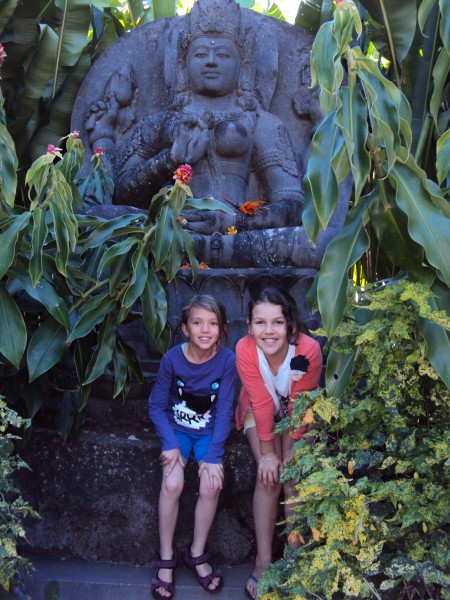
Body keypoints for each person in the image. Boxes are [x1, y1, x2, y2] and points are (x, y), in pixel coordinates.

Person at [84, 0, 341, 269]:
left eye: (223, 55)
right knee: (95, 220)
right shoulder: (160, 123)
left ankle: (198, 251)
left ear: (244, 67)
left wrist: (235, 221)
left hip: (239, 235)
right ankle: (193, 249)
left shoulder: (259, 123)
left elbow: (291, 205)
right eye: (200, 54)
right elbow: (123, 194)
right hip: (169, 232)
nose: (210, 61)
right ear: (182, 66)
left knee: (323, 242)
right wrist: (168, 161)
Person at [235, 287, 322, 599]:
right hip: (259, 412)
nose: (268, 331)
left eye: (277, 323)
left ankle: (295, 558)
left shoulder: (307, 350)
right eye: (260, 323)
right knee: (269, 475)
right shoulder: (245, 350)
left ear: (291, 326)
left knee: (293, 475)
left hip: (296, 413)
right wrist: (268, 456)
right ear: (249, 325)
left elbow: (299, 410)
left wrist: (292, 455)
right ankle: (263, 561)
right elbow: (259, 402)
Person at [148, 294, 236, 599]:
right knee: (172, 483)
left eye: (212, 324)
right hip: (177, 432)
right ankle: (166, 556)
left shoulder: (227, 361)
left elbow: (225, 410)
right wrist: (169, 443)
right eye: (197, 322)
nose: (205, 329)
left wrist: (213, 456)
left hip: (208, 433)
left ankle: (196, 553)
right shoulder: (172, 358)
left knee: (212, 484)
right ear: (185, 328)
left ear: (222, 329)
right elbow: (156, 406)